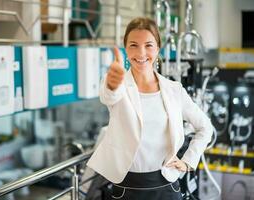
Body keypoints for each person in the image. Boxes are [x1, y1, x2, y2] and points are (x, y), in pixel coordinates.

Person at [86, 17, 213, 200]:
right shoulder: (119, 84)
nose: (141, 52)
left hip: (166, 186)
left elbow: (205, 127)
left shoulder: (174, 90)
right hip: (126, 188)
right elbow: (109, 95)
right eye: (133, 45)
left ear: (158, 49)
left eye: (148, 45)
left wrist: (188, 162)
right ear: (125, 49)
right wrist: (112, 85)